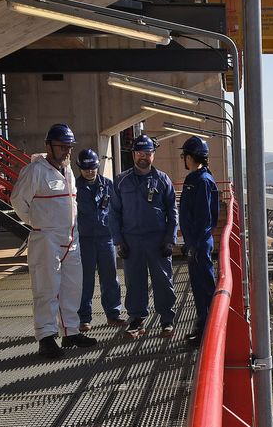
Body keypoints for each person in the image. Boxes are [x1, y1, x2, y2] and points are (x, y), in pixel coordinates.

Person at [10, 123, 97, 358]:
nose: (66, 151)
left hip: (70, 238)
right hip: (46, 239)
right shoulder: (35, 171)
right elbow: (17, 200)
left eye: (69, 147)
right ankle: (46, 337)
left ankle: (70, 331)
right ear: (49, 146)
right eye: (62, 146)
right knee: (46, 289)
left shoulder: (67, 171)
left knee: (72, 287)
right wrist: (36, 222)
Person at [109, 134, 177, 337]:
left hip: (158, 240)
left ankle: (167, 319)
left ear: (153, 154)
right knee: (134, 282)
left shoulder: (162, 180)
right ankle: (137, 320)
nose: (143, 157)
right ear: (133, 154)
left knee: (163, 281)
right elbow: (113, 213)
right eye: (139, 153)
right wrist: (119, 241)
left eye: (147, 153)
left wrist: (170, 239)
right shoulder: (121, 181)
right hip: (132, 241)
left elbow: (173, 211)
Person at [75, 148, 125, 331]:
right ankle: (83, 318)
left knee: (110, 278)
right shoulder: (73, 187)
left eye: (93, 167)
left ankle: (113, 314)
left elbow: (118, 211)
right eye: (86, 168)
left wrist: (120, 235)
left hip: (106, 238)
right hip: (85, 240)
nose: (90, 171)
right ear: (79, 167)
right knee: (84, 280)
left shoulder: (108, 185)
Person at [177, 136, 219, 346]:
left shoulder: (202, 181)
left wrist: (194, 245)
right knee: (199, 286)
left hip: (199, 243)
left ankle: (208, 332)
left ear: (190, 157)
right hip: (196, 242)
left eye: (184, 156)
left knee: (204, 288)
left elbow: (203, 218)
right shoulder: (195, 178)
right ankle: (203, 326)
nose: (184, 159)